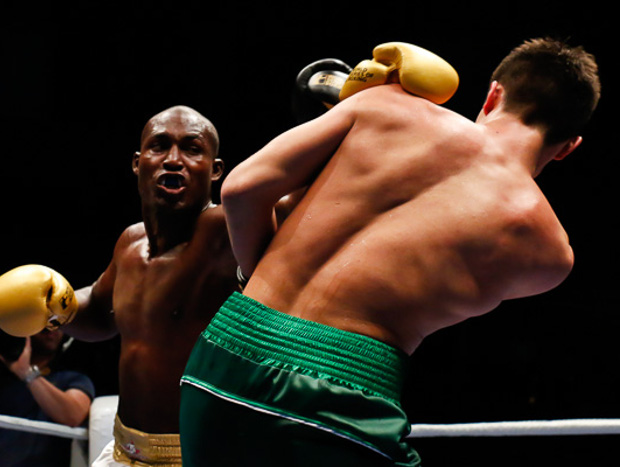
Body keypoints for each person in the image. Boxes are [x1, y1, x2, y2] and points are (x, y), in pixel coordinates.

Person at [178, 38, 601, 466]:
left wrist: (260, 279)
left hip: (222, 352)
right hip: (339, 389)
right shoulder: (549, 252)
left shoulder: (384, 105)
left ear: (494, 93)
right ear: (570, 146)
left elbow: (241, 189)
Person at [0, 106, 241, 466]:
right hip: (125, 450)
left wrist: (345, 121)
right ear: (138, 163)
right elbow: (100, 314)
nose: (173, 159)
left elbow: (289, 200)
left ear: (216, 170)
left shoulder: (225, 233)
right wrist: (56, 305)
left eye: (191, 148)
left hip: (197, 456)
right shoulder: (130, 243)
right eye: (160, 146)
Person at [0, 320, 95, 467]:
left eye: (58, 325)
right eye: (44, 326)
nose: (52, 331)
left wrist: (27, 374)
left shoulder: (72, 379)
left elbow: (73, 416)